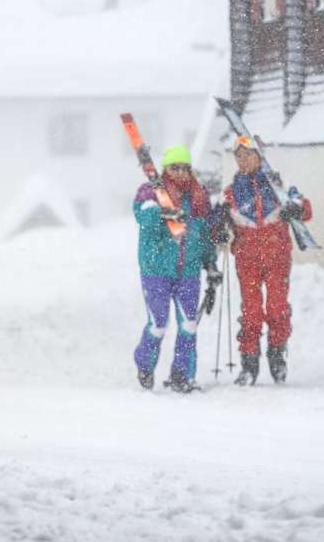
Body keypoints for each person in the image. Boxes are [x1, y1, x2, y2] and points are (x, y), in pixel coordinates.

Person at [217, 136, 313, 385]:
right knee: (251, 312)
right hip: (247, 259)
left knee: (277, 308)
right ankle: (249, 364)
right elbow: (215, 221)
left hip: (277, 256)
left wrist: (296, 208)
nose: (242, 160)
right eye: (238, 156)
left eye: (248, 154)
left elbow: (305, 207)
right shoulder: (230, 192)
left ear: (260, 156)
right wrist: (218, 224)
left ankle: (277, 355)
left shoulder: (278, 184)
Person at [133, 145, 221, 393]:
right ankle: (145, 364)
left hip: (189, 271)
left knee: (189, 325)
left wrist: (211, 264)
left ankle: (182, 374)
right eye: (175, 167)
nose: (180, 172)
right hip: (156, 269)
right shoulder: (150, 191)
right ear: (165, 168)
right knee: (158, 324)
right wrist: (164, 213)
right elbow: (142, 218)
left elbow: (205, 235)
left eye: (185, 167)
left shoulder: (199, 196)